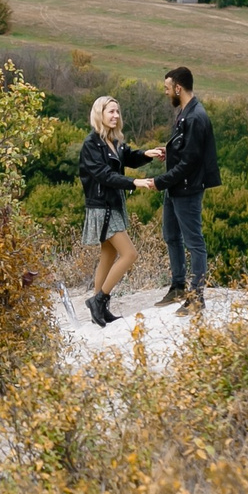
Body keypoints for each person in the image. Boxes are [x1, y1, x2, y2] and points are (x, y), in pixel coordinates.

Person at [144, 65, 220, 312]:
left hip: (187, 189)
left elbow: (190, 164)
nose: (166, 93)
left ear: (178, 87)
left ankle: (197, 298)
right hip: (176, 188)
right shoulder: (185, 112)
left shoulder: (196, 116)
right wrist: (171, 153)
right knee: (171, 236)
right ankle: (178, 287)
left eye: (167, 88)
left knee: (194, 242)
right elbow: (186, 153)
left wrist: (160, 181)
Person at [77, 94, 152, 327]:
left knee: (108, 255)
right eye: (111, 111)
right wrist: (134, 182)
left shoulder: (114, 141)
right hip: (102, 207)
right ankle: (99, 300)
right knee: (130, 254)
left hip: (113, 205)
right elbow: (104, 175)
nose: (115, 116)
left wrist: (148, 154)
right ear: (99, 114)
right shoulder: (92, 144)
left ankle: (99, 308)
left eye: (117, 112)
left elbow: (129, 156)